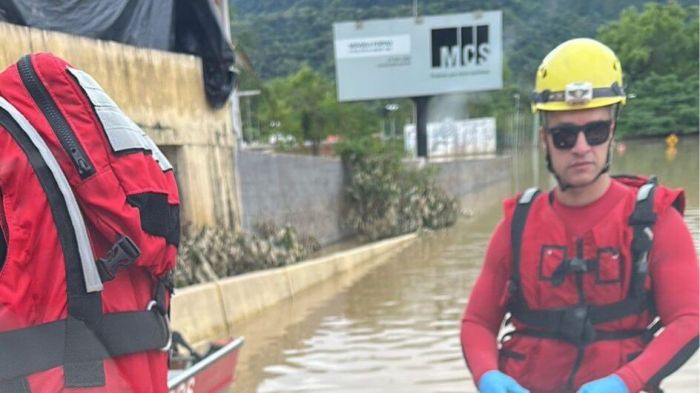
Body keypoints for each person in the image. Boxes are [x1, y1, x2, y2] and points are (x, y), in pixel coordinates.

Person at [460, 38, 699, 393]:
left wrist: (625, 381)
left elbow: (690, 320)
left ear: (612, 131)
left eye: (596, 131)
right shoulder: (516, 225)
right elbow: (478, 322)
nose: (582, 148)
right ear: (545, 139)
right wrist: (487, 374)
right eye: (565, 136)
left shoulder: (656, 220)